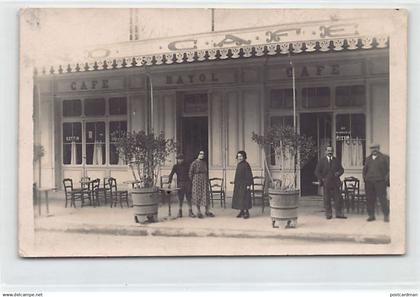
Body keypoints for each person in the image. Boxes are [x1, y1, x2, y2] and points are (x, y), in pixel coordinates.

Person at [314, 146, 347, 220]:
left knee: (338, 199)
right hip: (326, 183)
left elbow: (341, 169)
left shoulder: (336, 160)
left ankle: (339, 213)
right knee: (327, 199)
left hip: (335, 183)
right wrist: (321, 178)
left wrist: (338, 173)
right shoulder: (322, 161)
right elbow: (317, 171)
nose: (330, 152)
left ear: (333, 151)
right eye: (328, 150)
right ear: (325, 151)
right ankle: (328, 214)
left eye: (331, 151)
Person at [363, 144, 390, 222]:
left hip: (380, 182)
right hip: (369, 182)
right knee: (370, 199)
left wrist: (385, 180)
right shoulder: (367, 159)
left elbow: (389, 170)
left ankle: (386, 215)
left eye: (375, 148)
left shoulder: (385, 158)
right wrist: (365, 178)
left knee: (382, 199)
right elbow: (364, 170)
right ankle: (371, 215)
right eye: (372, 148)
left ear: (378, 148)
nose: (373, 150)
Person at [189, 150, 215, 218]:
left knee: (205, 194)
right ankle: (199, 212)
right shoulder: (194, 163)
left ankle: (207, 211)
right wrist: (193, 180)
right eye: (200, 154)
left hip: (204, 180)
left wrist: (206, 179)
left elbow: (206, 172)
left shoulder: (204, 163)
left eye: (203, 154)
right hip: (196, 180)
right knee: (197, 195)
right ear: (198, 154)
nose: (202, 155)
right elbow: (190, 173)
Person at [168, 154, 195, 218]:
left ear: (183, 159)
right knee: (180, 198)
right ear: (177, 160)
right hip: (180, 183)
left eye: (181, 159)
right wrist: (169, 182)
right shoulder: (175, 166)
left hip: (187, 183)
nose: (180, 160)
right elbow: (171, 174)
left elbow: (191, 173)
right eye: (178, 159)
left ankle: (190, 211)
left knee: (189, 197)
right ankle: (180, 212)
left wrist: (192, 181)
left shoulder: (187, 165)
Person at [232, 151, 253, 219]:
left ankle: (246, 212)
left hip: (244, 184)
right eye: (238, 156)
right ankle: (241, 211)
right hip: (238, 184)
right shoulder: (239, 164)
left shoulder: (246, 164)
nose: (239, 158)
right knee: (239, 198)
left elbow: (249, 175)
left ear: (244, 157)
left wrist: (248, 184)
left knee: (245, 198)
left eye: (241, 156)